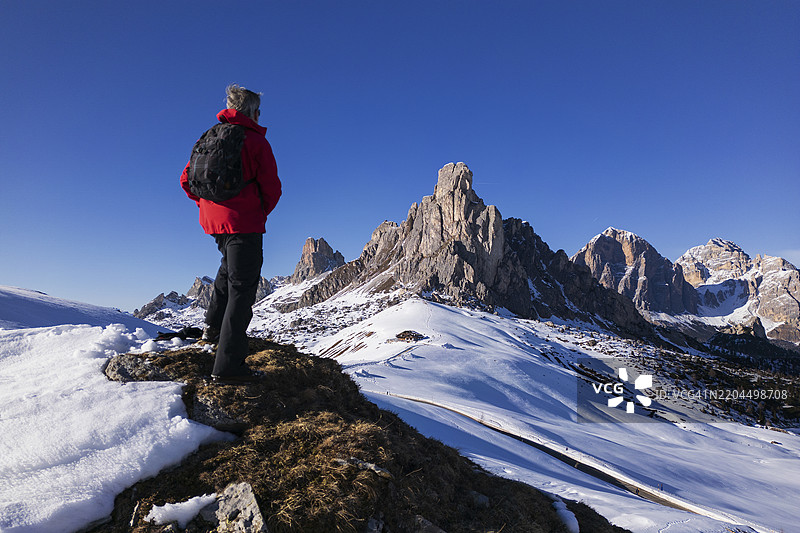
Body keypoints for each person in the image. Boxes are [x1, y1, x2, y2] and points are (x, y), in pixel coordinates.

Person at [180, 84, 282, 383]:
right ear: (253, 111)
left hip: (213, 222)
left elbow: (186, 180)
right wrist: (257, 211)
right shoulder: (255, 141)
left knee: (227, 272)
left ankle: (211, 330)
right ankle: (228, 368)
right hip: (244, 221)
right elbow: (272, 187)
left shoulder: (209, 137)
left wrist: (207, 206)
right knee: (242, 289)